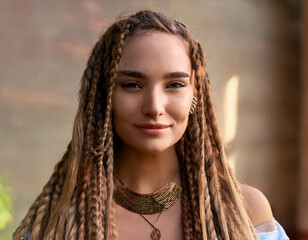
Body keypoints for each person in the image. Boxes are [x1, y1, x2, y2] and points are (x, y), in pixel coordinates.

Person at [13, 10, 289, 240]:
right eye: (132, 85)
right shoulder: (57, 223)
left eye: (175, 85)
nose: (154, 106)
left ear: (195, 97)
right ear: (104, 97)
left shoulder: (246, 213)